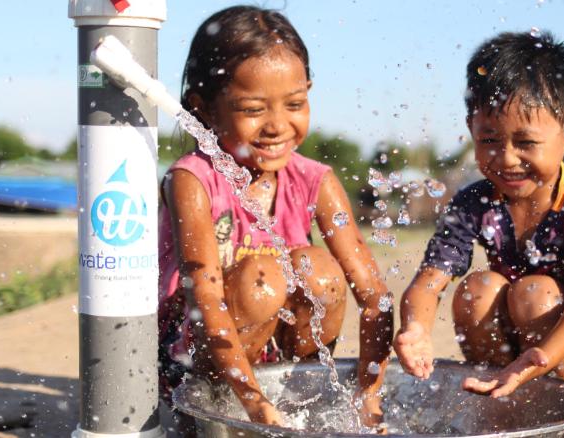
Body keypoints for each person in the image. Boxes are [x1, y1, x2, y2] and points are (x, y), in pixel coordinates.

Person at [157, 6, 392, 429]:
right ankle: (231, 415)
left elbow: (374, 296)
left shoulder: (315, 180)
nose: (277, 126)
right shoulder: (193, 180)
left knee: (318, 272)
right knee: (261, 280)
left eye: (295, 104)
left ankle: (300, 401)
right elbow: (206, 300)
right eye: (252, 109)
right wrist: (255, 407)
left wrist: (368, 397)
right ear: (205, 109)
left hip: (276, 367)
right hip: (196, 367)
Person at [394, 31, 564, 405]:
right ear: (471, 130)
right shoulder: (474, 201)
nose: (507, 159)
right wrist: (415, 328)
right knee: (476, 290)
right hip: (525, 342)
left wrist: (543, 356)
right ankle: (504, 406)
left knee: (535, 293)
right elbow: (430, 280)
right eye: (490, 140)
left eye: (526, 143)